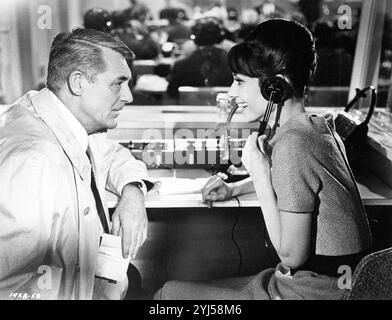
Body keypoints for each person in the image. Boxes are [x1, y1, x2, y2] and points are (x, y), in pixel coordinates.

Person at [155, 19, 372, 300]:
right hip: (327, 285)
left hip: (311, 292)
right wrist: (235, 188)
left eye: (239, 82)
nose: (232, 94)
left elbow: (291, 255)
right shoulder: (315, 127)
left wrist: (258, 174)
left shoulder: (295, 143)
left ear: (274, 88)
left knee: (167, 295)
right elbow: (294, 186)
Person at [0, 28, 153, 300]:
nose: (128, 96)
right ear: (78, 83)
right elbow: (11, 286)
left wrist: (132, 191)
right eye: (117, 83)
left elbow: (113, 154)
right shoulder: (34, 159)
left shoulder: (66, 119)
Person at [167, 17, 233, 98]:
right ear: (221, 37)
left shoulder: (180, 66)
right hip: (227, 109)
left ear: (195, 38)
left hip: (189, 109)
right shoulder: (235, 66)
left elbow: (171, 93)